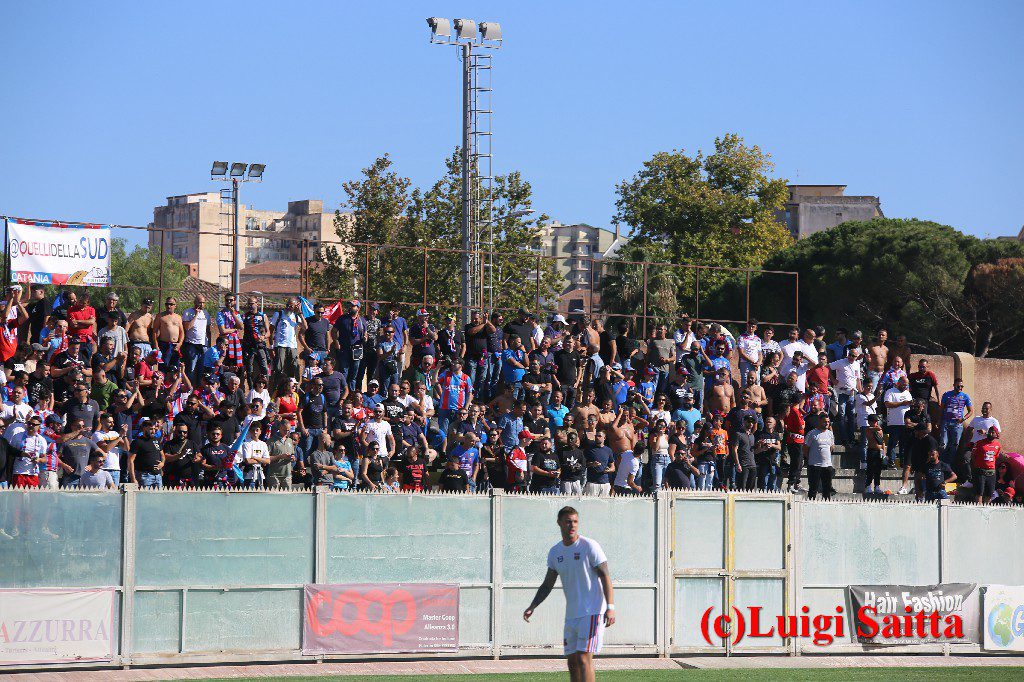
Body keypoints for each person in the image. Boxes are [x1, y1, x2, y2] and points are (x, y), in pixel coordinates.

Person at [523, 507, 615, 682]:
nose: (572, 525)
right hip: (572, 615)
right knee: (572, 661)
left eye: (575, 521)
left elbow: (605, 576)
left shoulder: (589, 546)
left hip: (593, 611)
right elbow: (547, 584)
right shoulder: (555, 552)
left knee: (583, 658)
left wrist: (610, 607)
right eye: (567, 521)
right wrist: (532, 606)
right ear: (559, 523)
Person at [939, 378, 972, 464]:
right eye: (958, 386)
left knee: (954, 446)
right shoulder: (946, 395)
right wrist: (939, 421)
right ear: (954, 385)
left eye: (962, 386)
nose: (960, 388)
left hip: (957, 425)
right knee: (943, 444)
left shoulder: (965, 396)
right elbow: (941, 409)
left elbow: (971, 411)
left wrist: (963, 419)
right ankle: (940, 465)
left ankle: (948, 466)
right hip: (946, 423)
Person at [803, 415, 835, 500]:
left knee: (827, 489)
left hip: (827, 466)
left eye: (828, 422)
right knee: (813, 489)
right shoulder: (812, 433)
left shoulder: (830, 433)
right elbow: (805, 448)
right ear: (820, 422)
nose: (827, 423)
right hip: (814, 465)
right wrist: (811, 458)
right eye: (825, 421)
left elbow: (831, 447)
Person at [180, 295, 209, 386]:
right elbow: (187, 327)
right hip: (192, 344)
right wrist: (196, 315)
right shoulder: (188, 312)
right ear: (195, 302)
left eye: (203, 302)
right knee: (191, 369)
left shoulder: (206, 313)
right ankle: (190, 388)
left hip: (203, 345)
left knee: (201, 369)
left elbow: (207, 330)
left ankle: (199, 390)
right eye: (199, 302)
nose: (201, 304)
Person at [971, 425, 1000, 505]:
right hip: (980, 471)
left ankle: (986, 509)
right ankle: (979, 509)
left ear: (996, 434)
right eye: (990, 431)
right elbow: (973, 455)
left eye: (993, 432)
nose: (990, 433)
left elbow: (995, 457)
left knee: (989, 493)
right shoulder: (979, 443)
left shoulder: (998, 445)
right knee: (979, 492)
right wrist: (976, 466)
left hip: (991, 472)